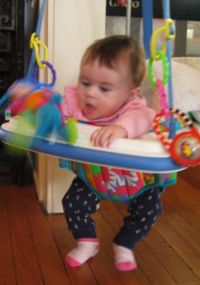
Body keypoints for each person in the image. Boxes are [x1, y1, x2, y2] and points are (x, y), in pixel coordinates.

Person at [61, 35, 164, 271]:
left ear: (130, 93)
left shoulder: (133, 108)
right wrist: (33, 100)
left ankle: (125, 243)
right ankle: (86, 241)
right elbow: (53, 109)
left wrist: (121, 128)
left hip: (136, 179)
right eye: (85, 83)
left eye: (104, 88)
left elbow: (145, 117)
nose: (90, 93)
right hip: (94, 176)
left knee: (151, 209)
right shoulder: (74, 99)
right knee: (72, 202)